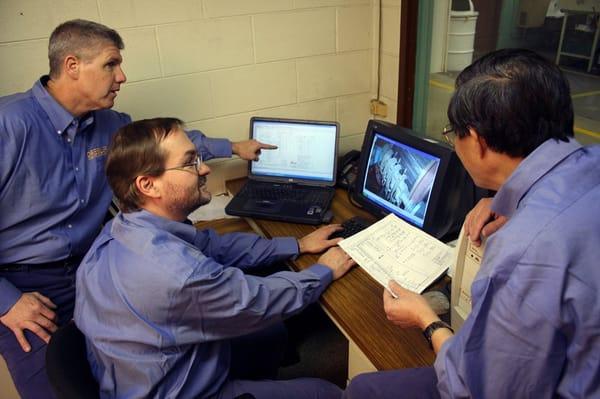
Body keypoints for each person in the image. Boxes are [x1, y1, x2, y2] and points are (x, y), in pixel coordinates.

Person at [0, 19, 273, 399]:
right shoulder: (8, 123)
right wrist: (7, 302)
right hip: (24, 285)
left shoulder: (110, 124)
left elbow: (167, 146)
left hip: (94, 266)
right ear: (73, 65)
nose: (122, 76)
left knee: (140, 372)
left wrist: (234, 146)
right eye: (111, 64)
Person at [343, 48, 600, 398]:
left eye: (453, 134)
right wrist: (508, 198)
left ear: (477, 141)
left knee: (363, 389)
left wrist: (427, 321)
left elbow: (475, 390)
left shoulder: (520, 254)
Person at [74, 117, 355, 399]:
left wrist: (297, 245)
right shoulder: (177, 274)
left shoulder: (120, 230)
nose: (205, 168)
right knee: (325, 393)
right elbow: (258, 300)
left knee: (272, 335)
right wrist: (323, 270)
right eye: (190, 162)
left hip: (143, 371)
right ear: (148, 185)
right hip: (178, 391)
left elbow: (215, 246)